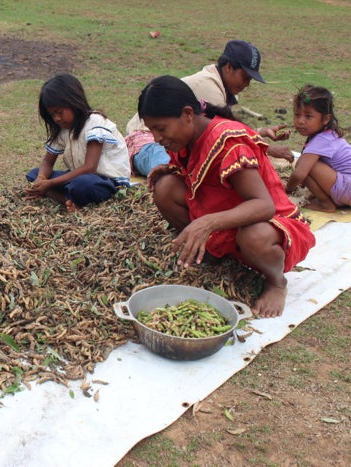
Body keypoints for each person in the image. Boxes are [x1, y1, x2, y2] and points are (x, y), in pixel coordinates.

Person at [137, 76, 316, 318]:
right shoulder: (187, 139)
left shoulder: (229, 142)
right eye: (151, 130)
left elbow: (264, 206)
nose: (156, 138)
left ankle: (275, 282)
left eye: (161, 128)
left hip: (273, 226)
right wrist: (173, 170)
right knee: (165, 187)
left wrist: (207, 223)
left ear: (188, 114)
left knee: (253, 235)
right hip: (232, 221)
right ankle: (210, 252)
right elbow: (205, 178)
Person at [126, 40, 294, 177]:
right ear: (228, 67)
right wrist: (268, 149)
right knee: (169, 176)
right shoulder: (209, 87)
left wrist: (262, 132)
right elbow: (228, 137)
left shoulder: (222, 88)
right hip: (144, 141)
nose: (246, 84)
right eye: (245, 77)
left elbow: (229, 133)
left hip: (169, 139)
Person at [25, 73, 131, 211]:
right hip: (77, 177)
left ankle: (64, 195)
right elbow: (47, 162)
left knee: (83, 184)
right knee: (33, 174)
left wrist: (50, 183)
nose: (56, 118)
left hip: (106, 183)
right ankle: (68, 200)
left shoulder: (95, 123)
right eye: (52, 115)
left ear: (73, 102)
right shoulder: (63, 129)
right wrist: (42, 178)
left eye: (59, 112)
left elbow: (89, 168)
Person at [285, 85, 351, 212]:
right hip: (346, 187)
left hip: (347, 188)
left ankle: (326, 204)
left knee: (303, 165)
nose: (300, 121)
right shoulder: (328, 135)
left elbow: (299, 174)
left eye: (308, 116)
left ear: (326, 119)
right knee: (306, 163)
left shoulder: (321, 140)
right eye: (297, 115)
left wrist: (287, 189)